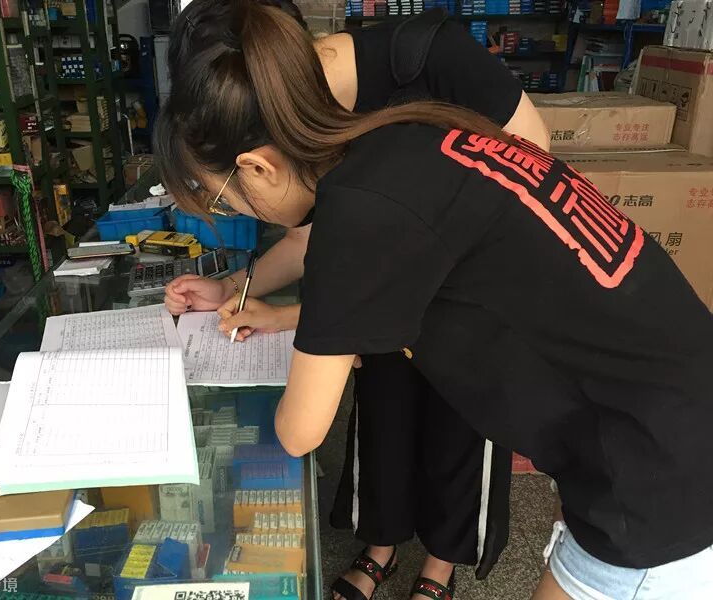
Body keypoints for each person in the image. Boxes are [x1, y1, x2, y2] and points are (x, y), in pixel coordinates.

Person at [155, 1, 713, 599]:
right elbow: (430, 293)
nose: (237, 212)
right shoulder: (404, 134)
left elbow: (299, 432)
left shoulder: (358, 210)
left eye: (224, 200)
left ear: (257, 167)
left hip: (659, 474)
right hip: (670, 405)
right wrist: (290, 317)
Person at [163, 3, 550, 599]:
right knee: (383, 419)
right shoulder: (306, 130)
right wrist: (235, 289)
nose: (241, 213)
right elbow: (311, 234)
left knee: (460, 434)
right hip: (387, 304)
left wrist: (300, 321)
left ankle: (440, 566)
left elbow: (528, 199)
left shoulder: (435, 64)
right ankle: (381, 547)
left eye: (227, 201)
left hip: (476, 302)